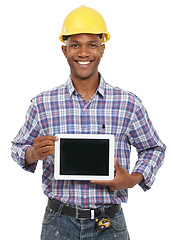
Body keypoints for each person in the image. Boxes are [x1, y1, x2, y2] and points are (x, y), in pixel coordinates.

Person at [11, 5, 166, 240]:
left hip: (109, 223)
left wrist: (132, 179)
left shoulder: (127, 103)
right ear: (64, 50)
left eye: (92, 45)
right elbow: (17, 148)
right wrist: (33, 153)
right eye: (75, 45)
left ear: (102, 49)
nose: (84, 53)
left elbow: (154, 148)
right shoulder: (43, 103)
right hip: (58, 222)